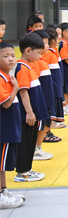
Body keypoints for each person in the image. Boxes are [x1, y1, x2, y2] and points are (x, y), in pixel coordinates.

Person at [14, 33, 47, 183]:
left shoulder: (28, 67)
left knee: (30, 142)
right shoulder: (22, 68)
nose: (40, 56)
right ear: (28, 51)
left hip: (32, 114)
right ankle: (22, 172)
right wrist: (29, 112)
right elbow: (23, 92)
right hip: (28, 115)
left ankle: (27, 169)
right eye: (38, 53)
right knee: (25, 143)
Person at [0, 42, 26, 208]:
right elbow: (6, 104)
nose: (11, 59)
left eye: (11, 55)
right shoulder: (2, 79)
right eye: (5, 56)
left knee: (2, 164)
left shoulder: (6, 76)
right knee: (1, 162)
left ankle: (3, 191)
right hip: (4, 129)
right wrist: (15, 88)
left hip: (8, 128)